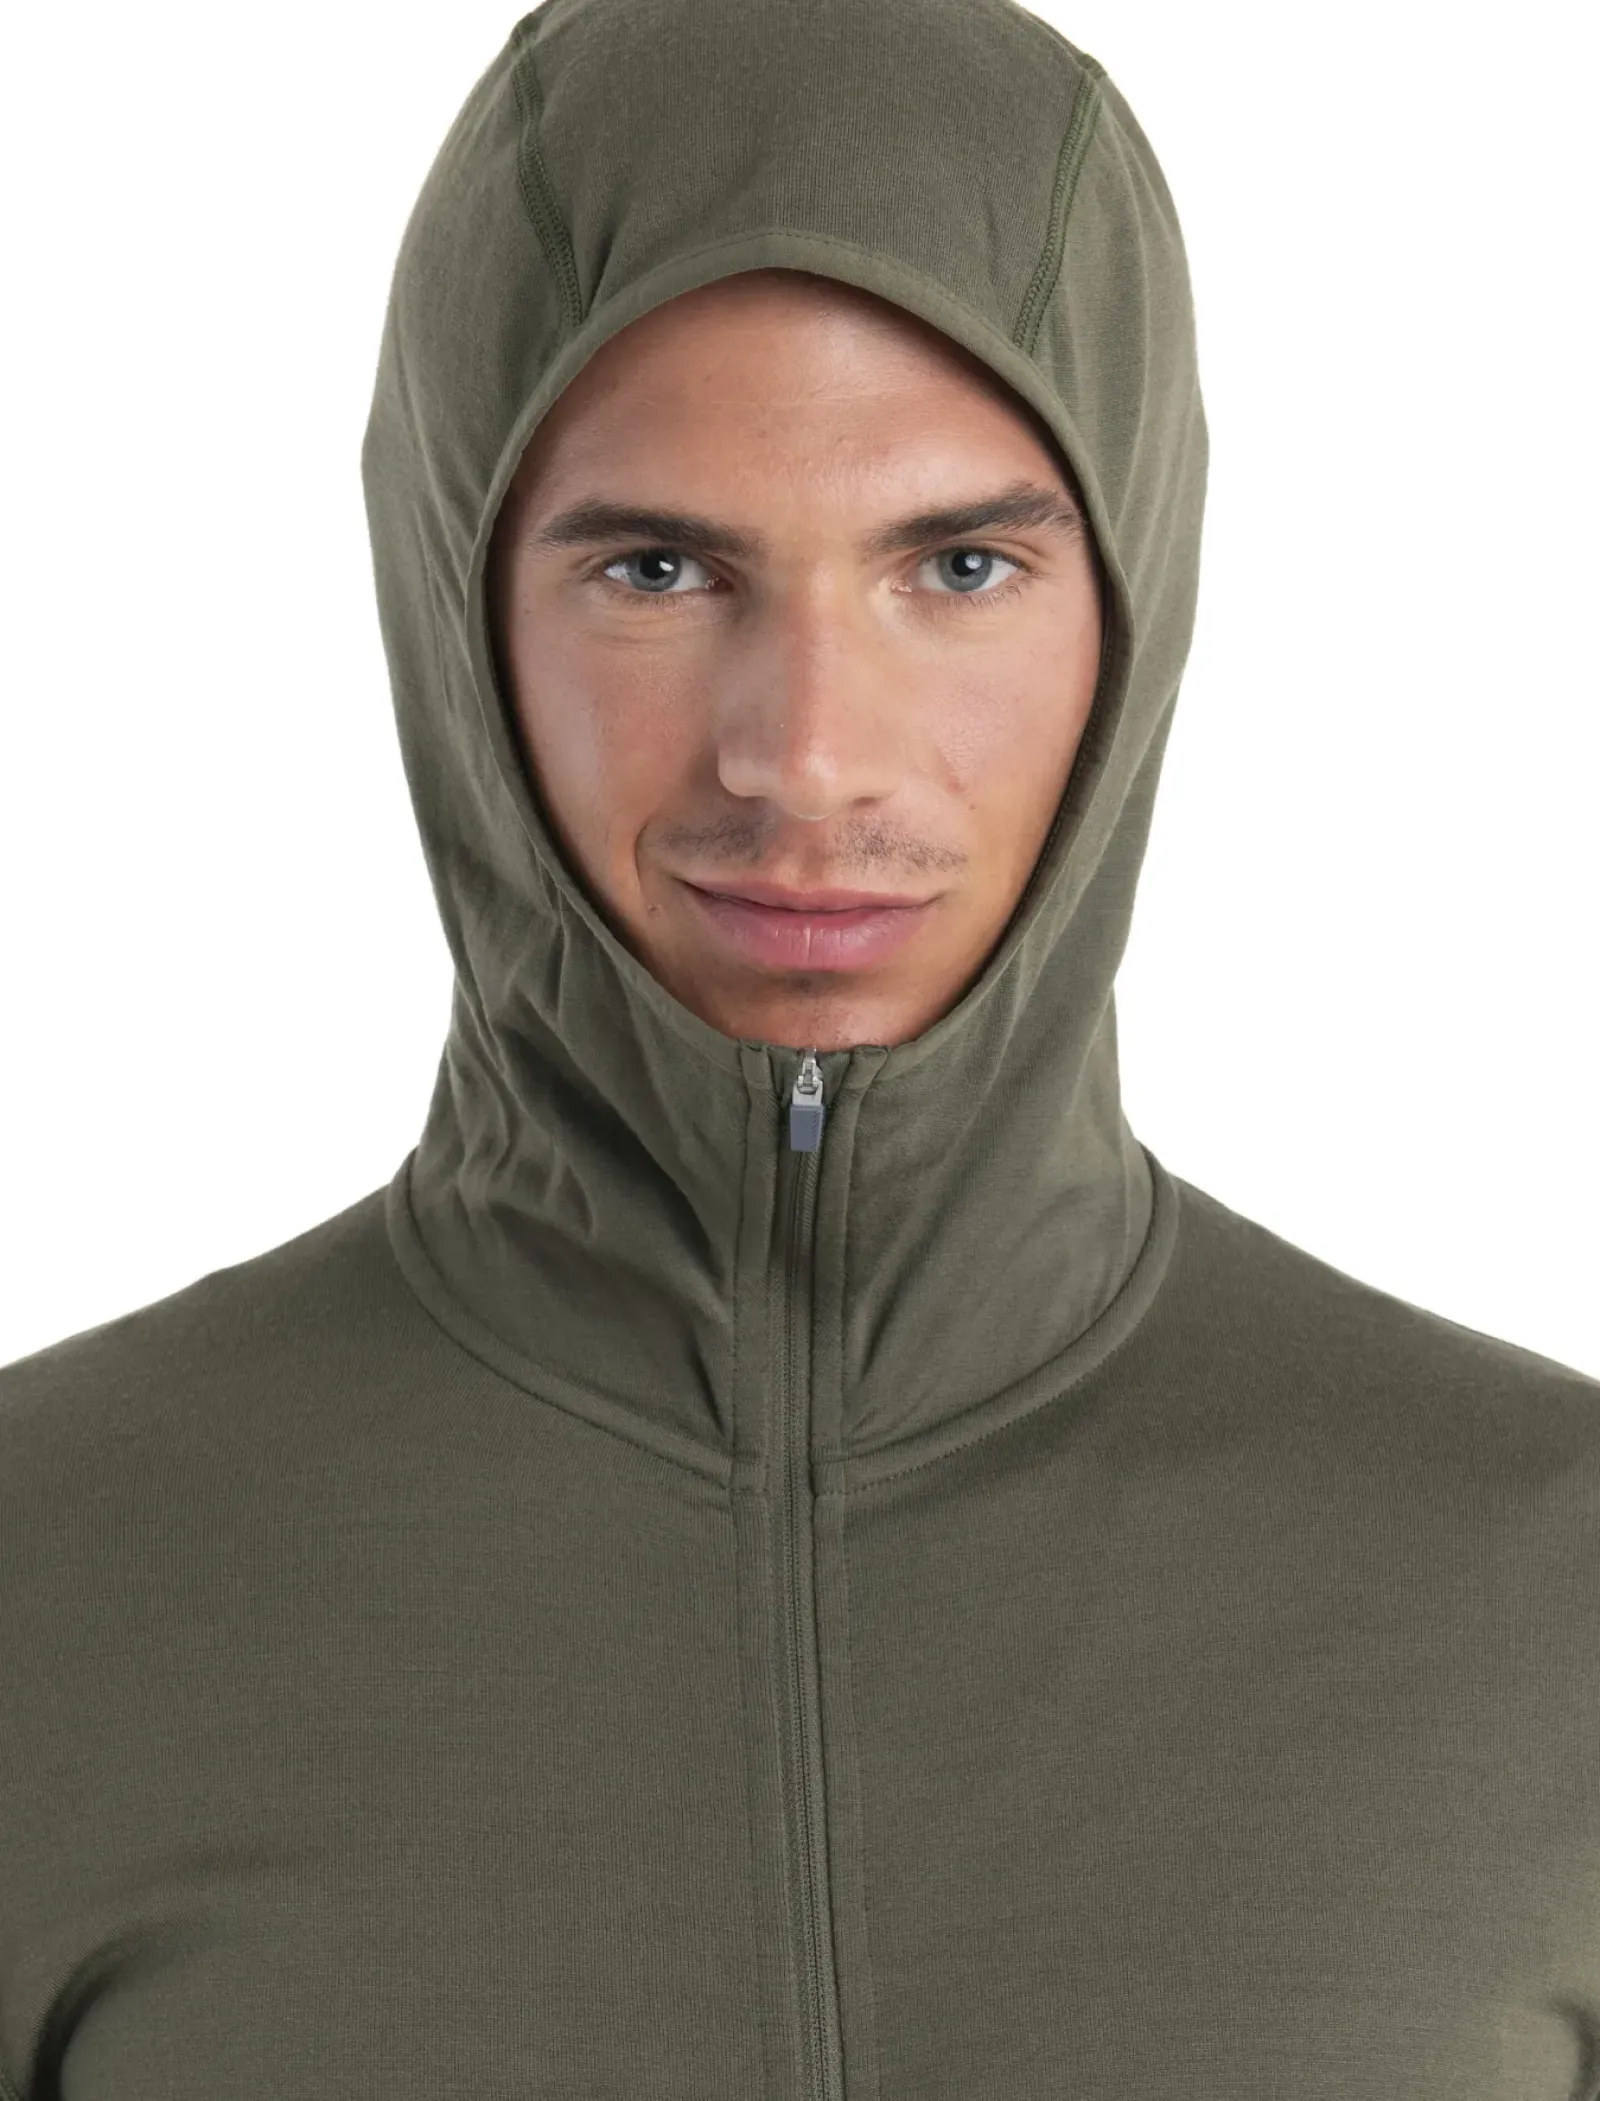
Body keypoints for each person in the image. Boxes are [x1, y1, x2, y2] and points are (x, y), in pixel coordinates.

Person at [1, 0, 1596, 2093]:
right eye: (658, 568)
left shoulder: (1548, 1586)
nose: (806, 755)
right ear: (452, 601)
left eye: (960, 565)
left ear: (1133, 593)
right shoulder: (45, 1576)